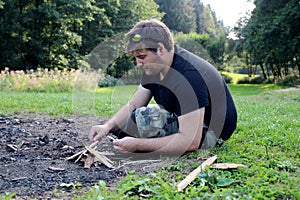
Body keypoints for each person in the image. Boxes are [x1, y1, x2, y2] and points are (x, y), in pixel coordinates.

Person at [89, 19, 237, 154]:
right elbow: (133, 104)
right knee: (136, 117)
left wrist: (138, 145)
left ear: (160, 49)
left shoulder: (190, 75)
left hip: (212, 132)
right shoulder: (154, 66)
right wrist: (106, 127)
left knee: (143, 120)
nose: (138, 63)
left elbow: (191, 141)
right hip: (185, 119)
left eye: (141, 56)